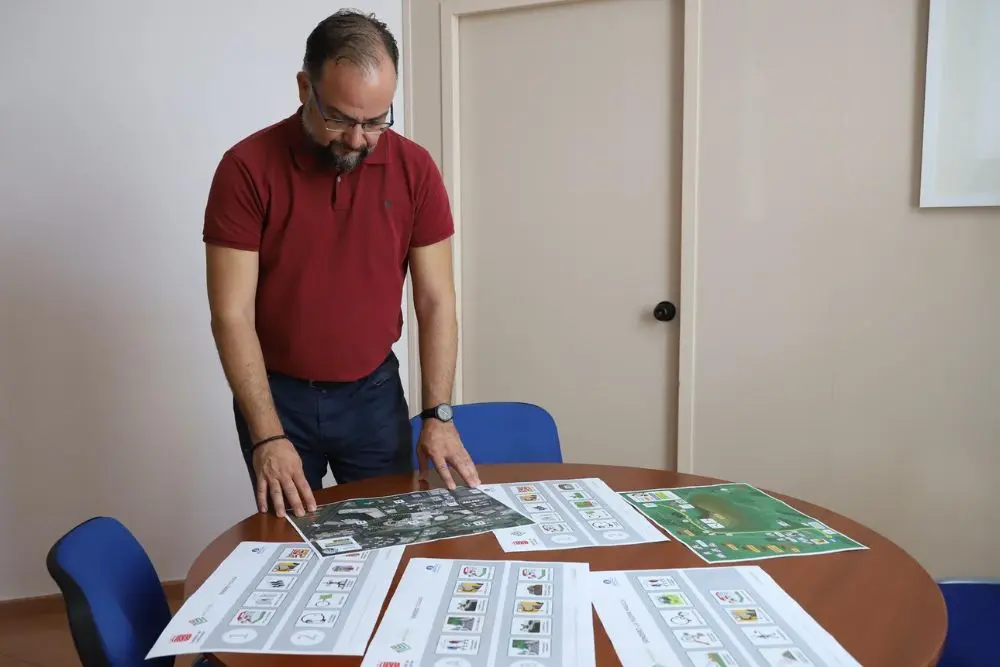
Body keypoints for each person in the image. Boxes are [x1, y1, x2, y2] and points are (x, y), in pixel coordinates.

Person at [203, 10, 481, 518]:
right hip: (277, 398)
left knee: (392, 537)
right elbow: (231, 314)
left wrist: (439, 415)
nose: (357, 139)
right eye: (339, 118)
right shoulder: (245, 169)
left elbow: (436, 300)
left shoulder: (415, 169)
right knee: (290, 547)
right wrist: (267, 435)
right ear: (304, 86)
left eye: (376, 121)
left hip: (373, 397)